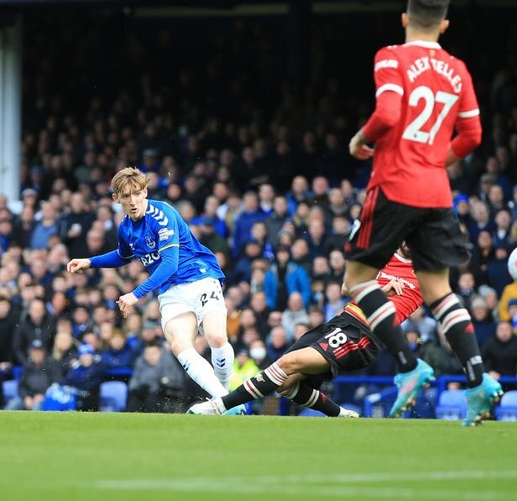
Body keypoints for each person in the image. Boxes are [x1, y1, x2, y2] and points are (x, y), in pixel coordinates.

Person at [342, 0, 502, 426]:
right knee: (438, 290)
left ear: (405, 18)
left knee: (355, 280)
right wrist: (436, 162)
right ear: (445, 24)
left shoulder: (391, 56)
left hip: (393, 185)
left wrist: (360, 139)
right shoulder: (458, 68)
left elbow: (389, 113)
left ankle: (408, 367)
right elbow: (472, 137)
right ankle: (479, 380)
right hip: (436, 192)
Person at [66, 167, 243, 414]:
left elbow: (169, 263)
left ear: (145, 192)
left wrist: (135, 294)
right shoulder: (125, 228)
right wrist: (90, 262)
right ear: (116, 199)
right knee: (180, 346)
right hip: (171, 290)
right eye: (126, 196)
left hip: (199, 275)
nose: (133, 201)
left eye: (137, 194)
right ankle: (228, 404)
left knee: (215, 337)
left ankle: (225, 400)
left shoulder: (163, 214)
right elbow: (122, 255)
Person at [189, 246, 428, 418]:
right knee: (285, 384)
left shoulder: (422, 277)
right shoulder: (383, 256)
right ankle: (340, 414)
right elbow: (346, 286)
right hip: (340, 321)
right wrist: (378, 284)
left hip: (363, 334)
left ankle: (218, 407)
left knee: (288, 362)